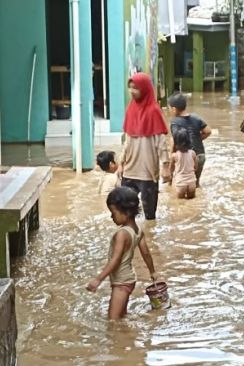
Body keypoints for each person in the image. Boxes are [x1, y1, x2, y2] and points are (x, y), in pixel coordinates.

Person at [86, 187, 158, 320]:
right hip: (129, 280)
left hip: (121, 282)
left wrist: (98, 279)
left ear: (127, 212)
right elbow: (146, 253)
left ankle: (122, 338)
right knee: (122, 316)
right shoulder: (138, 231)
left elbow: (116, 259)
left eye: (113, 213)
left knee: (113, 320)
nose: (111, 216)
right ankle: (127, 336)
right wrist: (152, 272)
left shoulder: (122, 234)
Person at [119, 73, 170, 220]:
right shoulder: (130, 109)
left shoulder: (154, 111)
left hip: (147, 173)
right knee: (126, 213)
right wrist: (121, 164)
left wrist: (165, 166)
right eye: (130, 88)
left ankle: (150, 240)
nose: (132, 91)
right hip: (129, 171)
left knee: (150, 217)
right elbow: (127, 140)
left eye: (135, 88)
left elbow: (161, 143)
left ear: (145, 89)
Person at [168, 93, 211, 186]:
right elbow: (208, 131)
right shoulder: (196, 117)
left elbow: (175, 141)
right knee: (195, 183)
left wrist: (171, 156)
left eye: (169, 108)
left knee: (181, 182)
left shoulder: (175, 122)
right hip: (200, 156)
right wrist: (198, 139)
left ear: (174, 109)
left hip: (184, 158)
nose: (169, 111)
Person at [170, 128, 198, 199]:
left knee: (180, 204)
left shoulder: (174, 156)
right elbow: (196, 168)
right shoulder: (193, 153)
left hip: (180, 183)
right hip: (192, 182)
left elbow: (171, 170)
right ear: (189, 141)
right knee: (191, 201)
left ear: (176, 143)